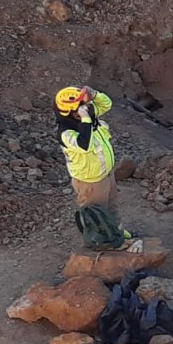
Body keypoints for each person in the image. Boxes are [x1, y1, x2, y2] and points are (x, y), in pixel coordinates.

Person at [55, 85, 132, 239]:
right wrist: (85, 119)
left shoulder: (86, 115)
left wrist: (94, 94)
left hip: (105, 173)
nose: (87, 108)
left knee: (112, 206)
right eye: (81, 106)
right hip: (91, 181)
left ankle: (116, 233)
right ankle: (100, 241)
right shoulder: (66, 132)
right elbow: (85, 145)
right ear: (71, 112)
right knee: (96, 214)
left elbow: (106, 104)